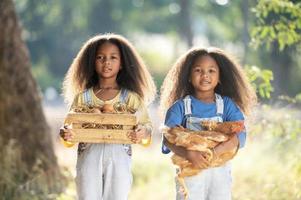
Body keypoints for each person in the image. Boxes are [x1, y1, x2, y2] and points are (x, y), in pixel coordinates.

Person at [59, 33, 156, 200]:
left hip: (119, 157)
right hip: (89, 156)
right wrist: (66, 134)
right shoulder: (83, 98)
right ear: (92, 62)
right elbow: (70, 129)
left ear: (122, 64)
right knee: (87, 195)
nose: (106, 62)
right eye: (100, 57)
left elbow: (147, 128)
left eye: (113, 57)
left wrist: (142, 133)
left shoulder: (131, 98)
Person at [160, 47, 257, 200]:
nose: (205, 75)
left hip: (220, 171)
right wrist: (188, 154)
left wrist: (216, 152)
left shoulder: (226, 105)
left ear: (219, 77)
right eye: (198, 70)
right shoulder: (179, 107)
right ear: (189, 76)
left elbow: (240, 133)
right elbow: (168, 138)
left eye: (211, 71)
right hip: (190, 169)